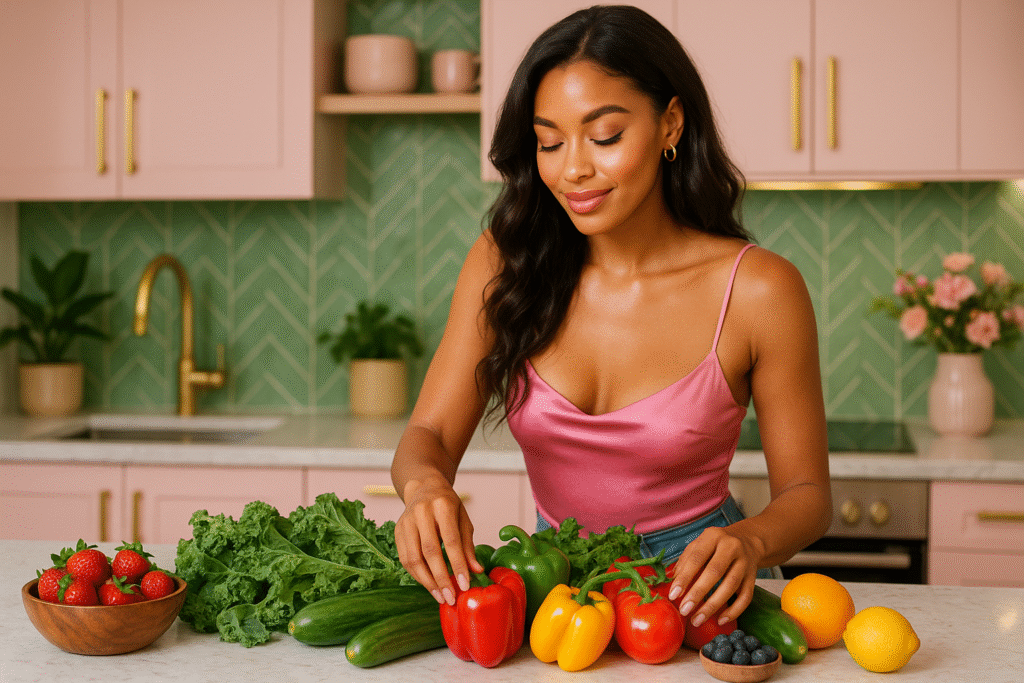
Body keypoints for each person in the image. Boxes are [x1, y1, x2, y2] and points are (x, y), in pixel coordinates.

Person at [390, 4, 831, 629]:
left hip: (704, 607)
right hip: (561, 603)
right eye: (549, 141)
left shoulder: (759, 290)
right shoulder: (506, 263)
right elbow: (426, 438)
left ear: (670, 124)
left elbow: (809, 499)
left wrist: (753, 541)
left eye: (604, 137)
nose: (573, 168)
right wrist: (426, 487)